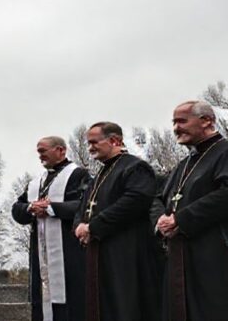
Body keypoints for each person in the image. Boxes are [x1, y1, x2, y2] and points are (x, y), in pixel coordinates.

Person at [151, 101, 228, 320]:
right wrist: (161, 219)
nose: (176, 128)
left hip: (216, 254)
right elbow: (159, 198)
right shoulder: (184, 164)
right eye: (173, 122)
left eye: (182, 121)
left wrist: (181, 219)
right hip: (181, 254)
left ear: (206, 121)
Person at [74, 122, 160, 321]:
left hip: (128, 250)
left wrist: (94, 227)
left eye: (94, 142)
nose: (90, 148)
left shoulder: (135, 167)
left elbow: (135, 201)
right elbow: (83, 206)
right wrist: (78, 225)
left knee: (126, 304)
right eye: (88, 143)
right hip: (101, 250)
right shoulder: (100, 175)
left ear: (115, 140)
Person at [12, 136, 90, 321]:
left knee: (73, 301)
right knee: (42, 300)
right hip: (41, 254)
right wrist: (31, 208)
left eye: (43, 151)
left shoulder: (79, 175)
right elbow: (17, 209)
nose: (39, 156)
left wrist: (51, 208)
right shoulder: (36, 183)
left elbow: (84, 205)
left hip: (69, 250)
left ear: (60, 150)